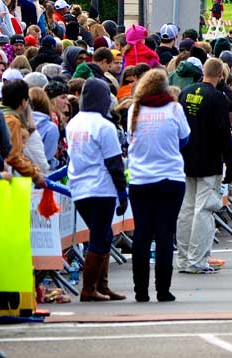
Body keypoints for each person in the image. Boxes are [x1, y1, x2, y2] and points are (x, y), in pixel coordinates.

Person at [126, 68, 190, 302]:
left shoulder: (135, 109)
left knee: (142, 234)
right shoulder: (174, 108)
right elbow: (185, 138)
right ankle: (163, 289)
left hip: (141, 179)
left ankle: (140, 290)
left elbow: (130, 138)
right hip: (170, 177)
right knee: (164, 234)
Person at [67, 78, 128, 302]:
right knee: (100, 237)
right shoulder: (104, 126)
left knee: (103, 234)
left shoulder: (73, 123)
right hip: (101, 187)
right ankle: (90, 288)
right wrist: (122, 194)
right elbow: (114, 163)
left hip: (79, 186)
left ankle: (102, 286)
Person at [177, 58, 232, 274]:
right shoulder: (217, 98)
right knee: (204, 210)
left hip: (186, 157)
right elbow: (222, 132)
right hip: (209, 159)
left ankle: (183, 259)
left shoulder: (185, 92)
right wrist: (229, 161)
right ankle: (197, 260)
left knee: (186, 210)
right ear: (221, 75)